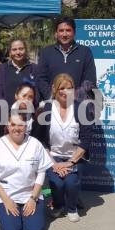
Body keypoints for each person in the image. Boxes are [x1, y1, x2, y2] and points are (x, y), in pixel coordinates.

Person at [0, 113, 54, 230]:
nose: (16, 128)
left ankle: (25, 215)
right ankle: (8, 217)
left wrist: (33, 199)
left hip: (30, 194)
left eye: (20, 125)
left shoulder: (35, 144)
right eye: (13, 124)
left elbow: (41, 172)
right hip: (6, 195)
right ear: (7, 126)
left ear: (26, 126)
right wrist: (6, 200)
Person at [41, 74, 92, 222]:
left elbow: (87, 139)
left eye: (69, 88)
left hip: (75, 157)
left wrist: (70, 162)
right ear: (54, 89)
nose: (65, 92)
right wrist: (54, 164)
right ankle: (58, 205)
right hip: (53, 156)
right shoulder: (46, 109)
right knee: (57, 182)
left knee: (70, 182)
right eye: (61, 88)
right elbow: (42, 141)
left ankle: (72, 207)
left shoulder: (81, 109)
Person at [35, 17, 96, 103]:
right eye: (61, 30)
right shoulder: (46, 52)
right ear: (56, 33)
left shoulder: (85, 52)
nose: (64, 34)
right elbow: (41, 79)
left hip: (77, 105)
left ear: (74, 32)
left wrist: (74, 96)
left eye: (68, 30)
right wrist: (52, 96)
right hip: (53, 104)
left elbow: (89, 81)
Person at [0, 39, 37, 118]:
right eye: (14, 49)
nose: (18, 52)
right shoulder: (3, 69)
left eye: (21, 49)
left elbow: (37, 93)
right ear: (10, 52)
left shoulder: (34, 68)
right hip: (6, 116)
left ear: (26, 50)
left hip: (29, 116)